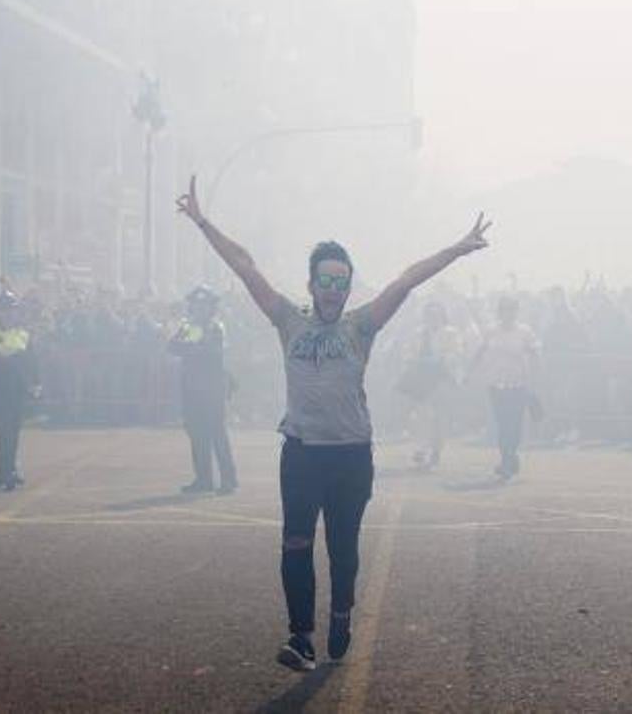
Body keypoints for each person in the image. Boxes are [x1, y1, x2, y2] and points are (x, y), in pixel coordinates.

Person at [176, 175, 490, 671]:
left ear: (348, 287)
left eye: (340, 282)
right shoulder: (287, 320)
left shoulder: (361, 325)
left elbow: (406, 279)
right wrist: (201, 221)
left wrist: (456, 248)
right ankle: (301, 636)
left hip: (350, 455)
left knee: (342, 548)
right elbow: (245, 266)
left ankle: (341, 610)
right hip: (301, 452)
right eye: (324, 280)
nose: (332, 290)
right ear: (311, 284)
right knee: (296, 541)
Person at [168, 285, 237, 494]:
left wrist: (192, 348)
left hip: (212, 388)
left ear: (211, 308)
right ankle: (203, 479)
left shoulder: (216, 327)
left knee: (217, 433)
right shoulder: (192, 327)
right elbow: (172, 346)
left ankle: (229, 479)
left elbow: (211, 353)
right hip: (192, 388)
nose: (199, 309)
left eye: (204, 305)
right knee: (197, 433)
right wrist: (194, 347)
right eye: (196, 305)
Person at [469, 296, 543, 480]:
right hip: (496, 384)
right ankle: (507, 459)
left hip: (518, 384)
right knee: (502, 423)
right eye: (504, 310)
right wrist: (470, 371)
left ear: (515, 312)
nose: (507, 314)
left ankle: (511, 456)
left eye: (511, 310)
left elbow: (535, 352)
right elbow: (480, 351)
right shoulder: (491, 331)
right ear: (500, 313)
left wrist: (536, 373)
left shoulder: (524, 332)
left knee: (515, 424)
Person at [0, 291, 38, 491]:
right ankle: (7, 470)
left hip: (17, 389)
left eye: (12, 310)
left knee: (13, 430)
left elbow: (31, 360)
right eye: (5, 310)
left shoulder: (23, 333)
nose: (9, 314)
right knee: (3, 430)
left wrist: (34, 383)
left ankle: (8, 468)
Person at [400, 301, 463, 470]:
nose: (432, 318)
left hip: (442, 378)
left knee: (439, 417)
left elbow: (456, 353)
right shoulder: (419, 333)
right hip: (421, 379)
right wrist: (412, 360)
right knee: (421, 414)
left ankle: (436, 450)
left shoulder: (451, 333)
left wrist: (441, 360)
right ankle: (421, 449)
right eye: (429, 315)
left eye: (436, 315)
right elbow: (407, 352)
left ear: (442, 316)